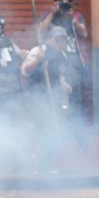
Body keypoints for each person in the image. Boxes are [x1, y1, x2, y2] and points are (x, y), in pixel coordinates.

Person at [21, 26, 72, 173]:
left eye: (62, 40)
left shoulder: (62, 56)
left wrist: (64, 85)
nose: (59, 43)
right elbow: (25, 70)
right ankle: (39, 166)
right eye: (57, 40)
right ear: (50, 39)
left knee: (53, 131)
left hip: (53, 99)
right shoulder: (38, 51)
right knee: (42, 131)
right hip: (37, 99)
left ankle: (48, 164)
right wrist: (38, 59)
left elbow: (59, 76)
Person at [38, 0, 89, 122]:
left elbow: (84, 33)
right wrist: (52, 14)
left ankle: (75, 128)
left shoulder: (76, 15)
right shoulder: (48, 15)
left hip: (72, 61)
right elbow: (40, 30)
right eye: (56, 1)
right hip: (54, 60)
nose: (59, 5)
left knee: (74, 97)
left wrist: (73, 20)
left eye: (63, 2)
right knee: (54, 94)